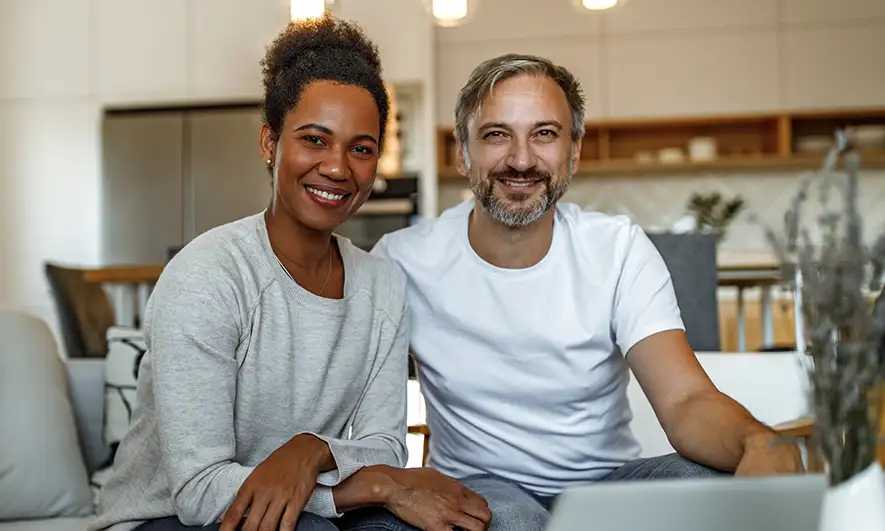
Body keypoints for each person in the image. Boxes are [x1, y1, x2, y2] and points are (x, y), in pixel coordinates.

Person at [373, 53, 804, 530]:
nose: (521, 159)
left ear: (573, 151)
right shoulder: (402, 259)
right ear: (462, 152)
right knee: (512, 518)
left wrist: (756, 441)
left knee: (709, 487)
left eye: (545, 134)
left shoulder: (617, 248)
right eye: (497, 134)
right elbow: (367, 412)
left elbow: (685, 400)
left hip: (609, 483)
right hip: (480, 486)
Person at [92, 17, 489, 531]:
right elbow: (198, 491)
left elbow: (384, 445)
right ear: (269, 142)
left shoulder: (382, 286)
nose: (338, 167)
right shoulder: (208, 276)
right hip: (160, 519)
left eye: (361, 148)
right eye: (315, 140)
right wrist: (371, 485)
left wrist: (311, 452)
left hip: (296, 507)